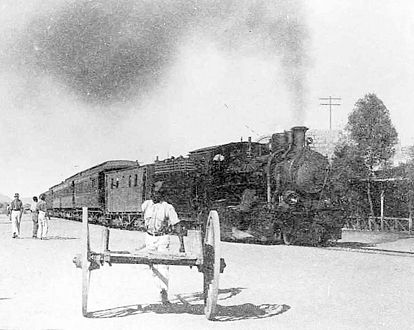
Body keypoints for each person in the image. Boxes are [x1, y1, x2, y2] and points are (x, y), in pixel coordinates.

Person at [141, 181, 182, 305]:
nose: (154, 195)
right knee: (152, 266)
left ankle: (164, 292)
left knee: (163, 265)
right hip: (149, 238)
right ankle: (159, 289)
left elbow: (177, 225)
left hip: (163, 239)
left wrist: (182, 245)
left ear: (162, 195)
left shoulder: (168, 207)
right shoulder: (146, 205)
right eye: (153, 192)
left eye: (157, 193)